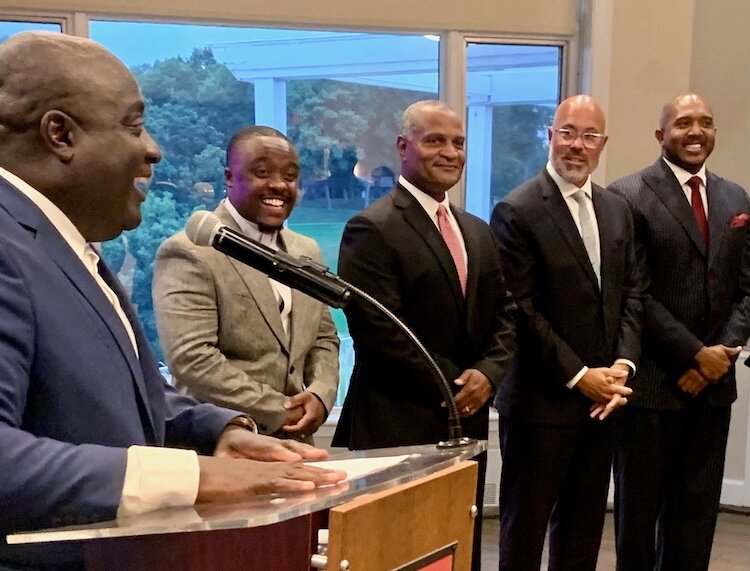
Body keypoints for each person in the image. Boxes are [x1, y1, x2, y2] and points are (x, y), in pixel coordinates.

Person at [0, 32, 345, 569]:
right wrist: (193, 476)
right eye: (134, 125)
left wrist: (216, 431)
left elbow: (121, 394)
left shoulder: (60, 242)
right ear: (59, 134)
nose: (153, 148)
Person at [332, 100, 516, 571]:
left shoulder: (476, 230)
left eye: (457, 142)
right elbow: (380, 332)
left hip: (466, 425)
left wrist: (489, 375)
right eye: (434, 140)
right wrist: (458, 384)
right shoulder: (371, 228)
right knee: (398, 551)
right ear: (403, 147)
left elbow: (506, 315)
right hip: (398, 423)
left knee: (459, 546)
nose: (449, 152)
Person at [490, 94, 642, 571]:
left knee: (584, 525)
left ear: (603, 144)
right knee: (525, 527)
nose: (577, 145)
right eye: (568, 133)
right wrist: (580, 376)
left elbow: (631, 295)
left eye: (589, 136)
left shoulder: (617, 209)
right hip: (541, 403)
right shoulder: (516, 210)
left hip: (603, 404)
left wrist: (622, 367)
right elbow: (521, 310)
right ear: (551, 136)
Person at [609, 93, 750, 571]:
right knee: (638, 517)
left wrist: (718, 360)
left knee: (697, 515)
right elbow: (635, 293)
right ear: (660, 135)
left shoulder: (736, 198)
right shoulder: (627, 195)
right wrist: (694, 355)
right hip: (652, 387)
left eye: (706, 123)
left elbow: (748, 289)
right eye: (683, 123)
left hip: (712, 392)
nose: (696, 132)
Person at [153, 126, 340, 443]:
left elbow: (324, 336)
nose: (279, 185)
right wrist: (280, 409)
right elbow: (192, 359)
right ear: (229, 177)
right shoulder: (188, 251)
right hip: (222, 444)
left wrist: (321, 394)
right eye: (262, 172)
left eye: (290, 175)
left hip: (299, 444)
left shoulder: (306, 250)